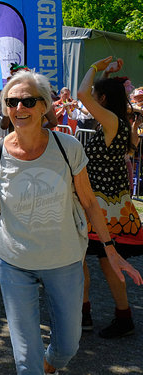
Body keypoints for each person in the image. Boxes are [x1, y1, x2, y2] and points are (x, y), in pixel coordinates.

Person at [0, 69, 142, 375]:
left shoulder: (68, 148)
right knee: (27, 360)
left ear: (45, 106)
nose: (19, 108)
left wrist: (110, 249)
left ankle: (51, 363)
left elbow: (90, 201)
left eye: (28, 101)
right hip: (14, 263)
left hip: (65, 260)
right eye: (12, 101)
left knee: (68, 345)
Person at [78, 56, 143, 338]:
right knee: (108, 262)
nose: (90, 99)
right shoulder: (119, 124)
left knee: (77, 260)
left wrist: (96, 66)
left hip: (97, 208)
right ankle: (123, 316)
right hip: (114, 206)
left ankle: (83, 316)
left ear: (102, 98)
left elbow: (80, 93)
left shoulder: (110, 121)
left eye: (95, 96)